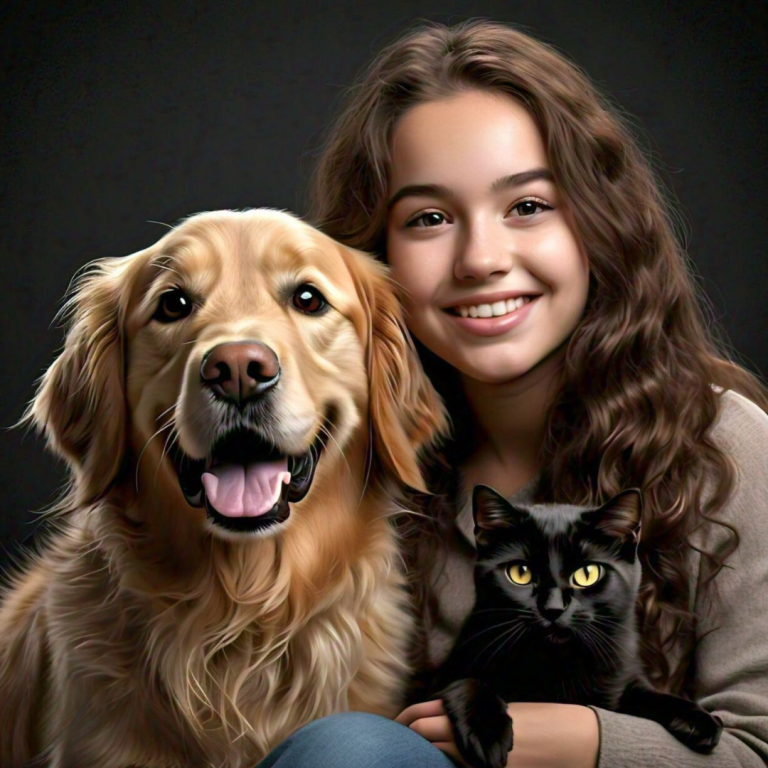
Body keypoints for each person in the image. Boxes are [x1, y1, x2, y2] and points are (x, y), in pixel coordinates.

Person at [255, 19, 768, 768]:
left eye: (527, 206)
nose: (481, 259)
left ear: (598, 223)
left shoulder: (724, 445)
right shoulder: (343, 461)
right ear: (373, 258)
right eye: (429, 219)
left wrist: (586, 740)